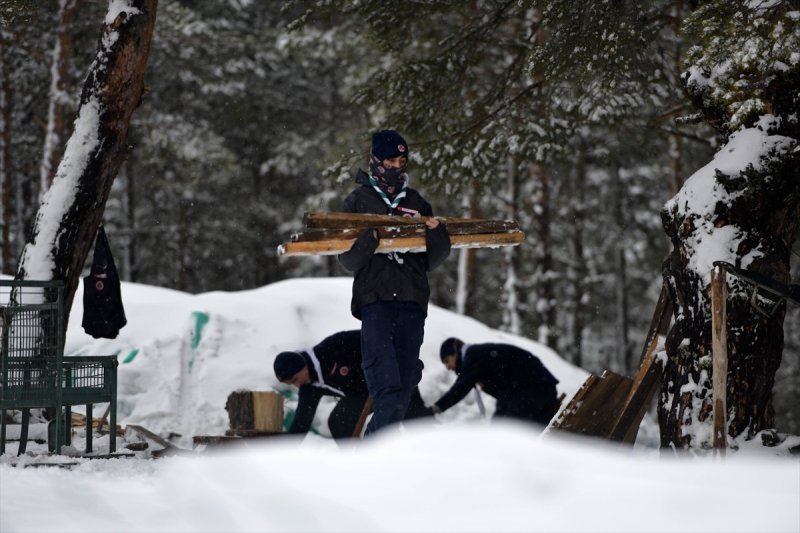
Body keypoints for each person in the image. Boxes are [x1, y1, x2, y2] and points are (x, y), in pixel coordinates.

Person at [338, 130, 451, 435]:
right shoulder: (357, 201)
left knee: (405, 383)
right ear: (375, 160)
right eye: (390, 159)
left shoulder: (415, 201)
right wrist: (369, 242)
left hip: (412, 302)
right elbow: (347, 260)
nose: (396, 166)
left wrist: (436, 234)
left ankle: (377, 450)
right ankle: (377, 453)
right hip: (376, 302)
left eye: (402, 160)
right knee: (385, 382)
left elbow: (431, 260)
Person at [273, 330, 431, 439]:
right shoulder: (309, 387)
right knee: (339, 421)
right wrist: (285, 451)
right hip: (363, 394)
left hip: (392, 379)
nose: (296, 385)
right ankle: (355, 463)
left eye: (294, 379)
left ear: (302, 365)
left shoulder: (333, 347)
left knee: (414, 421)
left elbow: (377, 338)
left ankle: (435, 448)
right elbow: (302, 422)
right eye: (291, 383)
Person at [432, 337, 560, 427]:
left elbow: (460, 388)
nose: (448, 367)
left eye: (447, 361)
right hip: (533, 390)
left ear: (455, 352)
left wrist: (435, 409)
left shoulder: (473, 355)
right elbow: (503, 393)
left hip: (535, 389)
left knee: (504, 429)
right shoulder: (478, 357)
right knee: (501, 427)